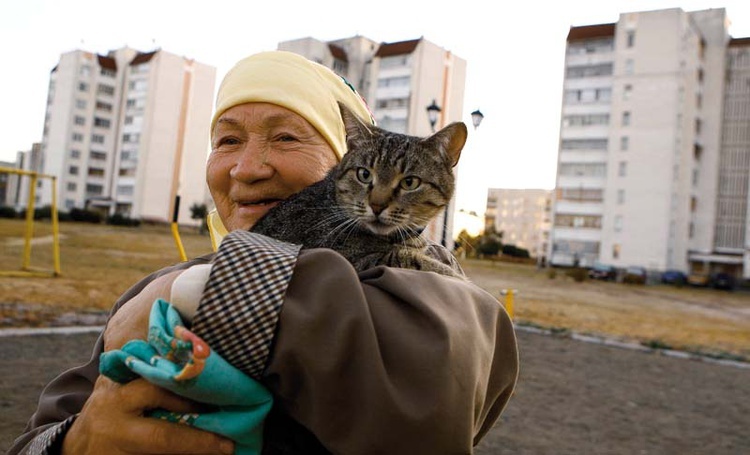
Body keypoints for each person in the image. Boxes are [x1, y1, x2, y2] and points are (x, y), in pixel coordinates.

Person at [10, 50, 519, 454]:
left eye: (285, 136)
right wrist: (75, 443)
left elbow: (434, 398)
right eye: (227, 140)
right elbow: (40, 430)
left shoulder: (428, 280)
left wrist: (190, 290)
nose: (247, 169)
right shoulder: (152, 289)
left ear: (341, 159)